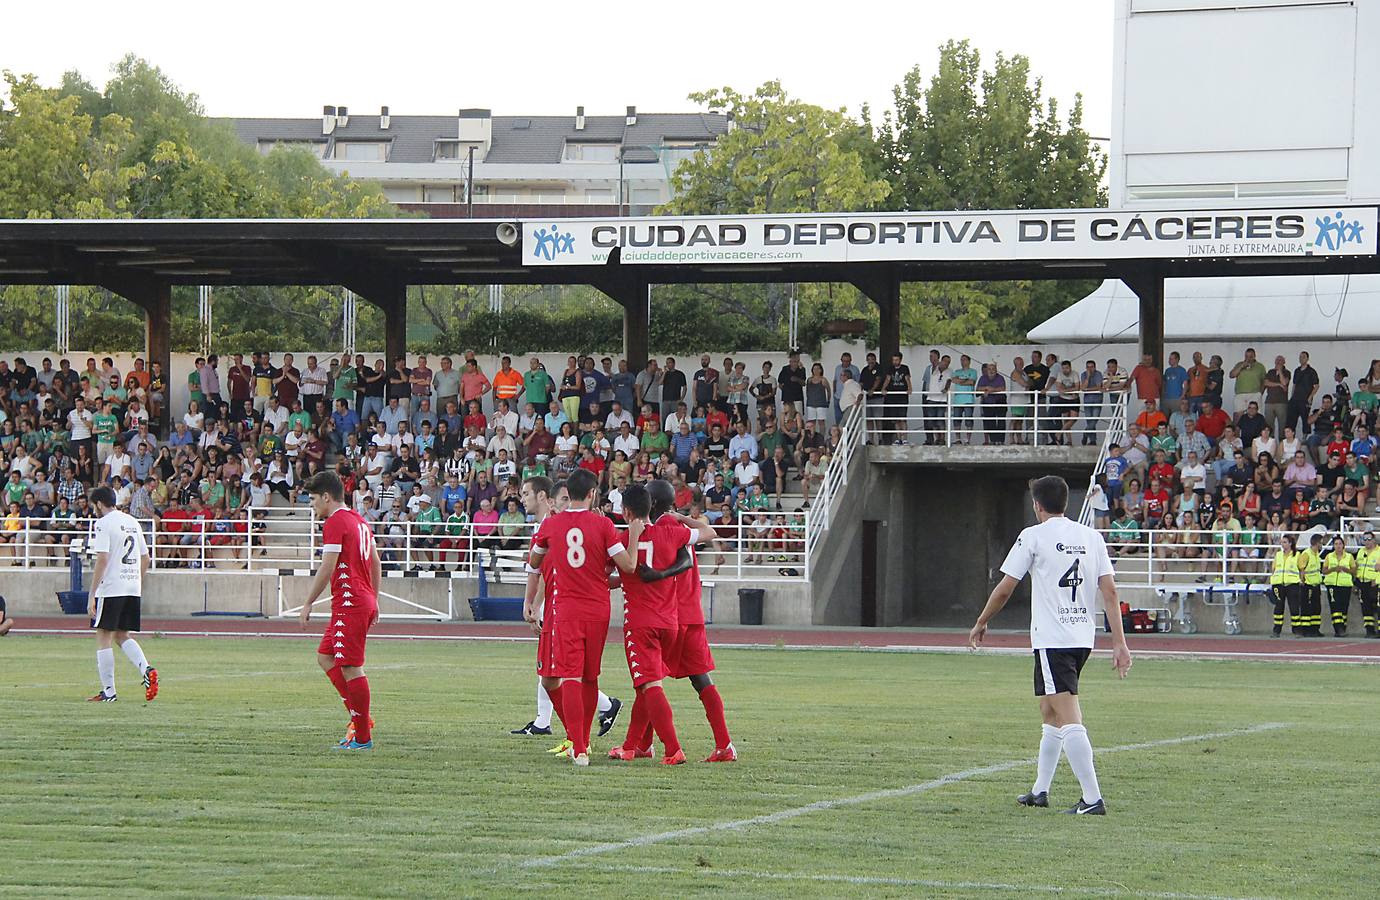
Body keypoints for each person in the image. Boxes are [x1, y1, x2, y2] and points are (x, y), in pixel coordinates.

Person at [967, 475, 1131, 815]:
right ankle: (1040, 790)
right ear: (1065, 503)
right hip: (1081, 639)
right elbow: (1110, 592)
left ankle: (1092, 798)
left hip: (1053, 640)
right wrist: (1119, 643)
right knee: (1050, 711)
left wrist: (982, 621)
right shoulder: (1091, 536)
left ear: (1037, 505)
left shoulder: (1032, 536)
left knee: (1069, 716)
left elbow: (1005, 588)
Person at [522, 469, 636, 765]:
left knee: (568, 675)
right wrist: (632, 538)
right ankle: (581, 743)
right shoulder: (603, 524)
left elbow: (534, 561)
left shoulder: (553, 524)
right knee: (590, 677)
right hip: (598, 609)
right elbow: (626, 566)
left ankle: (580, 747)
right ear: (592, 494)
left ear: (567, 495)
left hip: (566, 609)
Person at [620, 478, 738, 762]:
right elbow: (695, 549)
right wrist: (684, 518)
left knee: (649, 683)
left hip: (670, 612)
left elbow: (680, 562)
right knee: (700, 680)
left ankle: (640, 744)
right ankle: (724, 744)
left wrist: (657, 575)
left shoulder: (661, 529)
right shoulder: (680, 529)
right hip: (691, 613)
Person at [606, 484, 693, 765]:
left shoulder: (621, 540)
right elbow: (707, 533)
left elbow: (608, 572)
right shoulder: (671, 532)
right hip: (670, 622)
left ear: (626, 512)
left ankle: (673, 748)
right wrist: (682, 519)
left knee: (650, 686)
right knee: (645, 687)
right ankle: (633, 746)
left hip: (641, 624)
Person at [297, 471, 381, 750]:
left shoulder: (335, 522)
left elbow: (327, 565)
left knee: (351, 667)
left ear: (326, 497)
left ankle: (362, 737)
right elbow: (376, 562)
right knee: (325, 656)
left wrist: (308, 602)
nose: (311, 505)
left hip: (350, 602)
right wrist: (374, 597)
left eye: (312, 499)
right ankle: (360, 721)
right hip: (359, 600)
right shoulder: (359, 521)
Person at [86, 485, 158, 703]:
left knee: (103, 636)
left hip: (112, 587)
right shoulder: (131, 521)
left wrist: (92, 594)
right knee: (121, 634)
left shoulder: (103, 523)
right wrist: (136, 580)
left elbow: (102, 559)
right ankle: (146, 669)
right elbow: (146, 558)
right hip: (131, 586)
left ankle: (109, 691)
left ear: (99, 504)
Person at [1268, 532, 1302, 637]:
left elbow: (1301, 569)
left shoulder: (1297, 555)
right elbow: (1273, 569)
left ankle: (1296, 630)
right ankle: (1276, 630)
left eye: (1285, 542)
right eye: (1282, 542)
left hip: (1292, 584)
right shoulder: (1278, 555)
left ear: (1290, 543)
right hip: (1278, 584)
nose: (1283, 544)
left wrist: (1301, 580)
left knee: (1294, 607)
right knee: (1278, 607)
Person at [1322, 535, 1355, 637]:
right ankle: (1338, 628)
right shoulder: (1329, 556)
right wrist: (1333, 569)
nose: (1338, 546)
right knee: (1335, 607)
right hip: (1332, 585)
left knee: (1343, 607)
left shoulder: (1349, 556)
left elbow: (1354, 571)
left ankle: (1342, 628)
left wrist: (1345, 569)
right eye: (1336, 544)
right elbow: (1324, 571)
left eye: (1340, 544)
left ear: (1343, 545)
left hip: (1345, 585)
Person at [1356, 531, 1380, 638]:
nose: (1367, 542)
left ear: (1374, 540)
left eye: (1369, 539)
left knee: (1378, 607)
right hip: (1362, 583)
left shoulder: (1379, 552)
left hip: (1375, 583)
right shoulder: (1361, 551)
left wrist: (1376, 580)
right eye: (1364, 539)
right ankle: (1369, 630)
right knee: (1366, 608)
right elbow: (1357, 566)